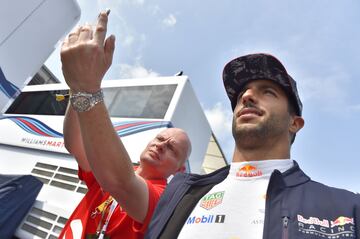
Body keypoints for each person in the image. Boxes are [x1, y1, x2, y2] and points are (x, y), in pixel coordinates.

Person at [146, 53, 360, 239]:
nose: (247, 96)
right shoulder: (182, 191)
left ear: (294, 123)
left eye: (268, 91)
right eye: (241, 94)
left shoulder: (347, 209)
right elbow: (119, 181)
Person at [58, 10, 192, 239]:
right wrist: (76, 86)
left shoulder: (165, 198)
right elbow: (75, 145)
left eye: (172, 148)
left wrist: (87, 86)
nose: (161, 145)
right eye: (160, 139)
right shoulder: (112, 167)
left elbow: (121, 183)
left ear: (178, 170)